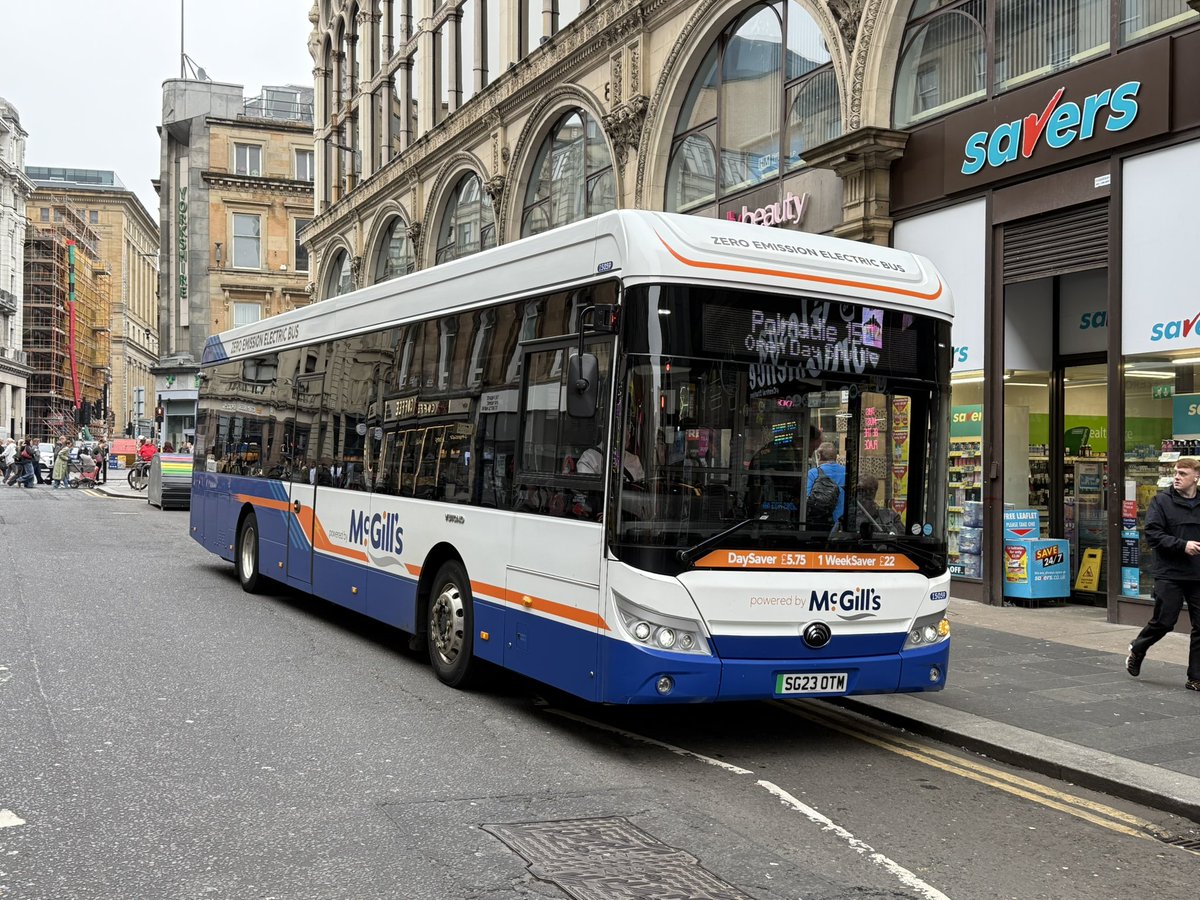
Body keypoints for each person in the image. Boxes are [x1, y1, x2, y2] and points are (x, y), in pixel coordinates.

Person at [1126, 457, 1200, 692]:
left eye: (1183, 473)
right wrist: (1182, 545)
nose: (1177, 477)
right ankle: (1138, 648)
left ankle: (1195, 677)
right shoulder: (1161, 501)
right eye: (1176, 472)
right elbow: (1153, 534)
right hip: (1169, 573)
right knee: (1165, 621)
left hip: (1197, 574)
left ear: (1196, 477)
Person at [805, 441, 846, 527]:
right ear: (836, 456)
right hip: (842, 522)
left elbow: (807, 499)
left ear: (819, 456)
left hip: (820, 523)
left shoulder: (812, 473)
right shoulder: (847, 472)